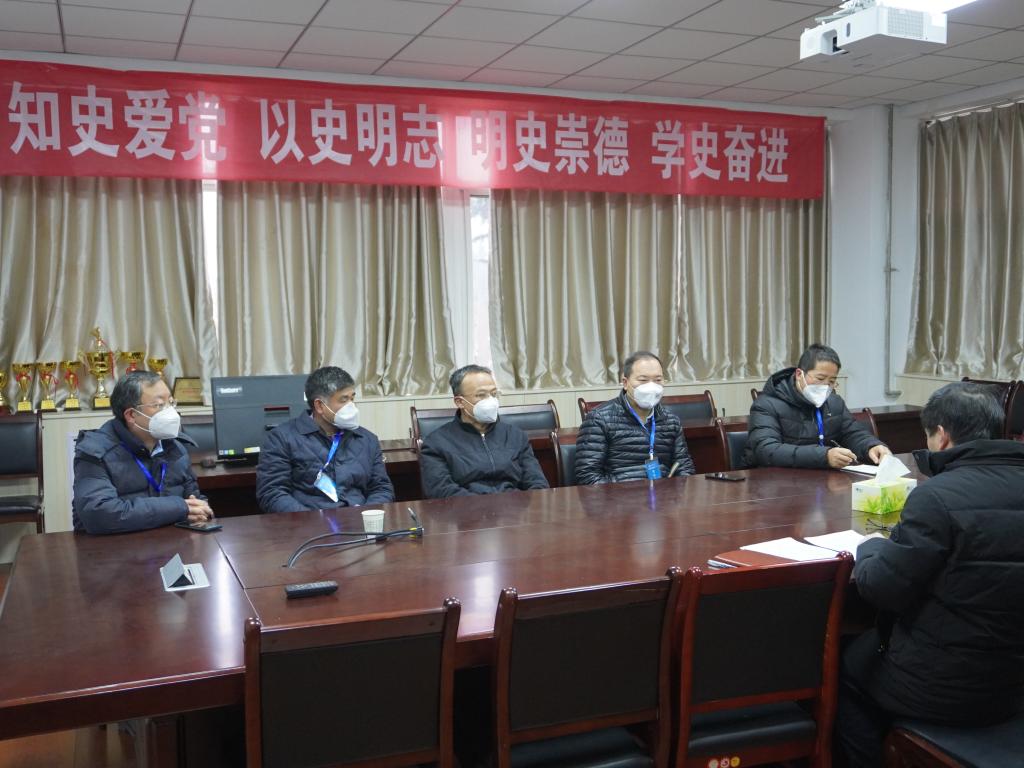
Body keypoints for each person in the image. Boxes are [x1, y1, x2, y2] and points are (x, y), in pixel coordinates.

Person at [835, 382, 1024, 767]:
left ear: (941, 435)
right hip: (1013, 684)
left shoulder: (937, 496)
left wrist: (870, 547)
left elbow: (881, 589)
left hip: (942, 687)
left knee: (841, 667)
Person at [73, 370, 213, 534]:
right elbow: (99, 514)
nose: (170, 412)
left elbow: (193, 500)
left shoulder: (176, 448)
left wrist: (201, 510)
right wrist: (178, 507)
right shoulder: (95, 452)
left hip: (171, 543)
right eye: (159, 405)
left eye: (170, 402)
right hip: (113, 546)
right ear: (131, 415)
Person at [255, 366, 393, 513]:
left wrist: (366, 516)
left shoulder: (367, 439)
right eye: (344, 400)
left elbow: (381, 488)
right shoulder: (281, 439)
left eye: (352, 398)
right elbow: (272, 493)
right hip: (309, 522)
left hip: (359, 520)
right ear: (320, 405)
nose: (351, 406)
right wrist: (312, 521)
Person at [745, 344, 890, 469]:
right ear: (799, 374)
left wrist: (872, 446)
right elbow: (766, 450)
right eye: (820, 378)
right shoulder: (766, 404)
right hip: (776, 482)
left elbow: (852, 433)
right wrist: (824, 456)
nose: (825, 386)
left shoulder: (834, 402)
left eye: (832, 381)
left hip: (823, 480)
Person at [419, 365, 549, 498]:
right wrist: (484, 506)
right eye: (481, 395)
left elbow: (537, 482)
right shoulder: (436, 443)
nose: (491, 400)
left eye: (494, 394)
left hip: (515, 506)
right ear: (459, 402)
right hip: (466, 508)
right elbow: (441, 491)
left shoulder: (515, 435)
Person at [575, 351, 695, 484]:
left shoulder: (671, 421)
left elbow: (684, 468)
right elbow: (587, 476)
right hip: (618, 495)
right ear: (625, 383)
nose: (651, 386)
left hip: (662, 494)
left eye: (658, 380)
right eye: (643, 380)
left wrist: (672, 493)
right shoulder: (599, 419)